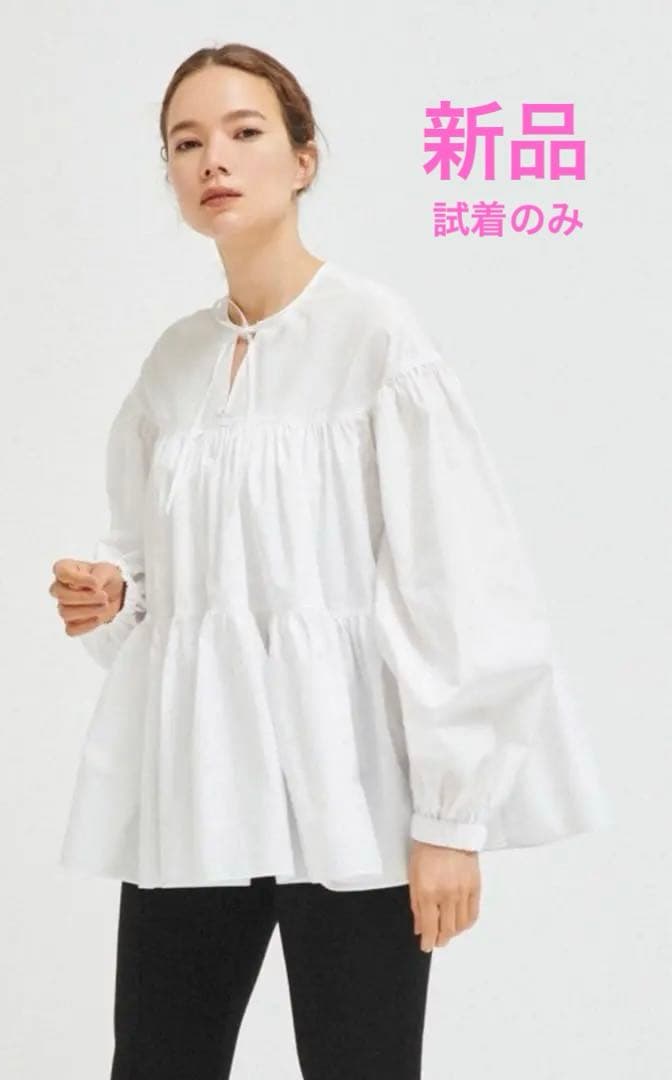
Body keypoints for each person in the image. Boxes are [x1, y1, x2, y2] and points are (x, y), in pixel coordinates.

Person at [48, 43, 612, 1080]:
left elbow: (457, 584)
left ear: (303, 158)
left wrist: (449, 820)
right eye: (186, 142)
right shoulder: (172, 366)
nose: (213, 159)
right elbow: (151, 584)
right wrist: (114, 596)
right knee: (157, 1062)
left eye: (244, 131)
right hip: (199, 787)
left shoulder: (375, 338)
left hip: (355, 796)